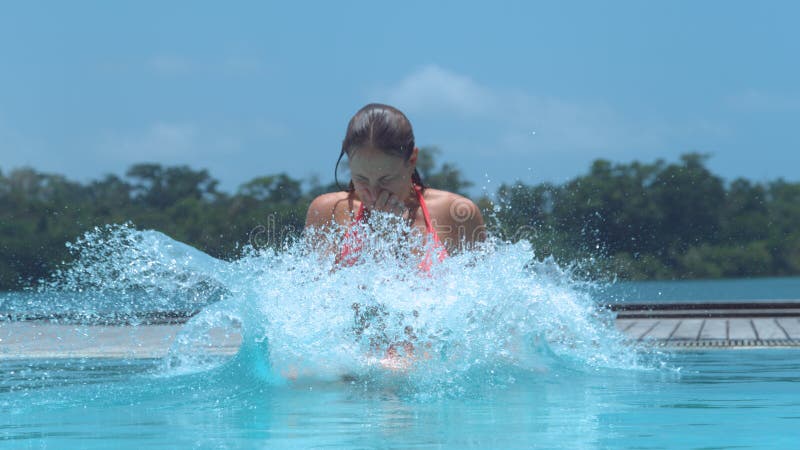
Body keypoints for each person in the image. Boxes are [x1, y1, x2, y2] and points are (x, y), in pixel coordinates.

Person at [304, 103, 486, 268]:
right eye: (362, 179)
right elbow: (320, 296)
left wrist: (397, 237)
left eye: (385, 180)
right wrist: (379, 238)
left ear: (412, 160)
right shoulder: (328, 212)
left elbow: (481, 300)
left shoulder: (457, 213)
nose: (374, 194)